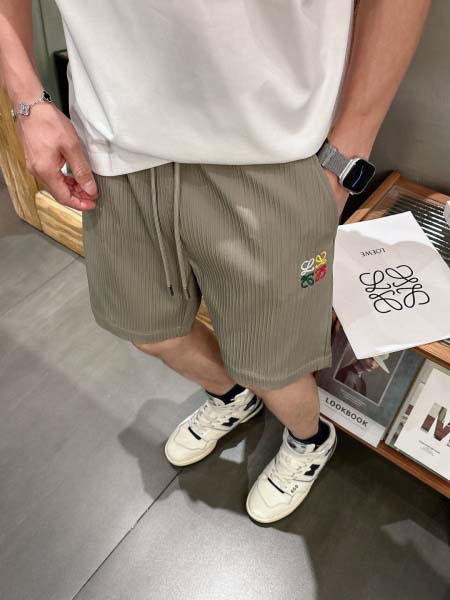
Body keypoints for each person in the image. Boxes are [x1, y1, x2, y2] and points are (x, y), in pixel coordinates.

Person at [0, 0, 430, 524]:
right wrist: (26, 100)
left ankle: (310, 439)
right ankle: (232, 397)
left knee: (275, 365)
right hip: (112, 144)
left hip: (270, 148)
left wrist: (348, 152)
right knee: (150, 330)